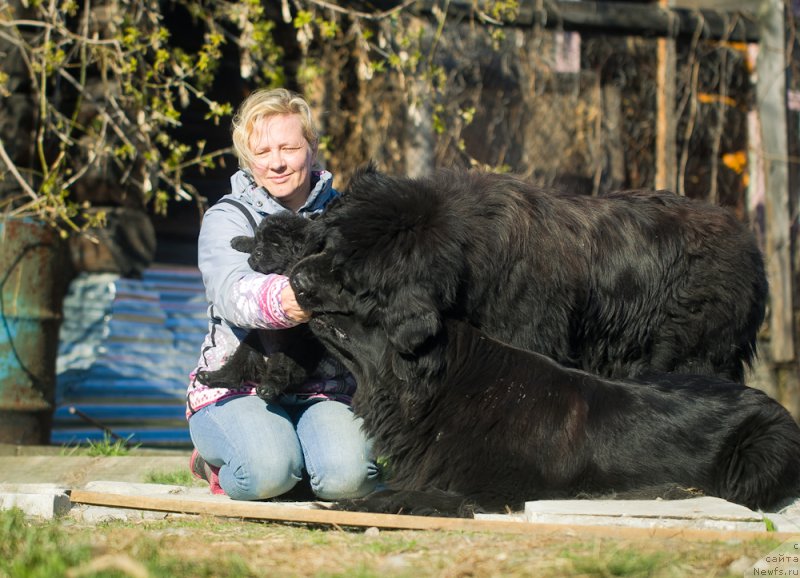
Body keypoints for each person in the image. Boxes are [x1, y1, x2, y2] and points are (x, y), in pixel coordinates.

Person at [185, 88, 379, 501]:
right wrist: (299, 297)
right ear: (247, 159)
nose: (276, 162)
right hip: (240, 388)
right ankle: (213, 464)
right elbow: (232, 292)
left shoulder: (347, 214)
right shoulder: (227, 215)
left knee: (350, 481)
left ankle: (301, 458)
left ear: (311, 148)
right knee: (267, 474)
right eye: (263, 151)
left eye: (289, 147)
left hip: (326, 387)